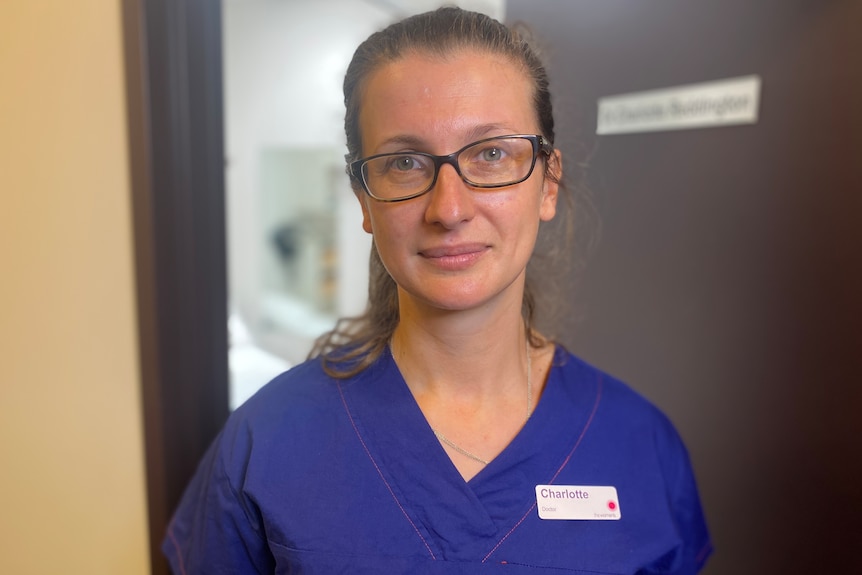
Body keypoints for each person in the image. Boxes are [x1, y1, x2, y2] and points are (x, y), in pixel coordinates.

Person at [163, 7, 712, 574]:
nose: (449, 209)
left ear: (548, 182)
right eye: (405, 162)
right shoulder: (267, 442)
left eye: (492, 153)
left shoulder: (640, 444)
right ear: (364, 201)